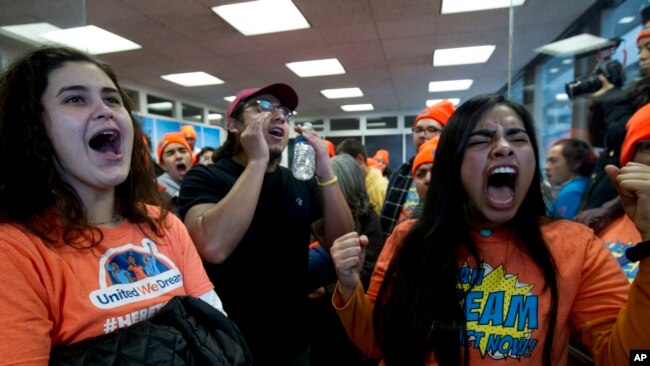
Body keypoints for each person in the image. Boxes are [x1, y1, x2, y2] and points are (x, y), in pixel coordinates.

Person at [330, 93, 650, 365]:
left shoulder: (576, 246)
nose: (502, 147)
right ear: (454, 166)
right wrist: (348, 286)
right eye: (481, 139)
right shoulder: (409, 238)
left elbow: (632, 358)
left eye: (517, 137)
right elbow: (376, 343)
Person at [0, 46, 225, 364]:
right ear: (33, 127)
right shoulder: (14, 249)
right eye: (75, 99)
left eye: (112, 99)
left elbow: (219, 336)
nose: (104, 110)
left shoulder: (164, 224)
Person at [178, 83, 354, 365]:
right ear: (234, 125)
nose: (279, 116)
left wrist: (325, 171)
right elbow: (212, 247)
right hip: (228, 340)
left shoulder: (298, 181)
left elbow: (341, 246)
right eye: (262, 107)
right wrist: (257, 160)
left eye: (284, 111)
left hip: (292, 338)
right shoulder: (206, 177)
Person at [307, 153, 383, 366]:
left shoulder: (368, 219)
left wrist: (327, 290)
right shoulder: (320, 217)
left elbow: (368, 271)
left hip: (348, 321)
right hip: (317, 322)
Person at [379, 99, 455, 238]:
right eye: (418, 129)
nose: (422, 134)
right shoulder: (401, 173)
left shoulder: (456, 171)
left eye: (432, 129)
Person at [544, 138, 594, 219]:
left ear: (575, 163)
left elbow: (564, 228)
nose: (547, 167)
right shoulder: (583, 184)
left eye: (553, 161)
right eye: (547, 161)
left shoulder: (572, 191)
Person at [337, 138, 388, 215]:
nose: (344, 169)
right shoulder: (354, 184)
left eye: (346, 164)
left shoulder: (381, 187)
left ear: (360, 159)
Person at [156, 132, 193, 216]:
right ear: (163, 165)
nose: (178, 156)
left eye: (183, 151)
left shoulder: (203, 182)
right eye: (170, 153)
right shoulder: (154, 190)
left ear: (191, 159)